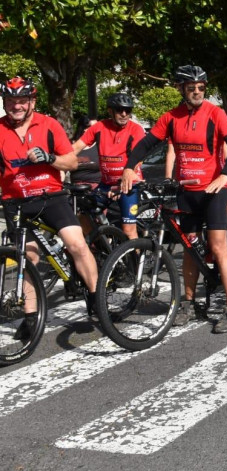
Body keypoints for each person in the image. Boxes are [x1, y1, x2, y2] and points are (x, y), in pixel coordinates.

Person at [120, 65, 227, 334]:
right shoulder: (171, 117)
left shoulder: (215, 113)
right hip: (186, 191)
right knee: (189, 247)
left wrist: (225, 176)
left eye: (201, 88)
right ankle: (188, 303)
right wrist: (130, 166)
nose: (198, 92)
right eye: (192, 88)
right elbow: (145, 144)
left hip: (213, 189)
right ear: (181, 89)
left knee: (218, 245)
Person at [0, 76, 101, 325]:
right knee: (29, 257)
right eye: (11, 101)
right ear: (4, 103)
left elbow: (71, 162)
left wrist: (48, 158)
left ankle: (97, 298)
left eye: (22, 100)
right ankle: (31, 316)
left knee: (76, 243)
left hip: (51, 197)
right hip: (16, 202)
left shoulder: (48, 125)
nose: (17, 106)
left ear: (32, 101)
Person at [72, 92, 146, 240]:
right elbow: (75, 148)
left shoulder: (135, 129)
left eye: (128, 110)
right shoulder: (99, 127)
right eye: (119, 110)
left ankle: (136, 261)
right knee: (83, 216)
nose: (124, 114)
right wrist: (55, 160)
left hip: (128, 185)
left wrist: (126, 176)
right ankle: (102, 250)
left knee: (128, 230)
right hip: (105, 185)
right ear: (110, 111)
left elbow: (139, 157)